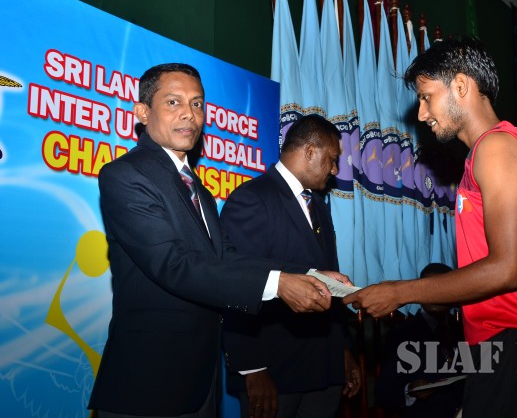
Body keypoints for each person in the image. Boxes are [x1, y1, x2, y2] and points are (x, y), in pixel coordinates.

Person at [89, 63, 349, 418]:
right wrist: (279, 284)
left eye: (197, 103)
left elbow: (227, 257)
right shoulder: (125, 175)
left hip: (200, 383)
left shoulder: (200, 191)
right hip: (147, 384)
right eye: (173, 102)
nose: (189, 114)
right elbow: (174, 265)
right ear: (142, 112)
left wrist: (309, 275)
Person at [343, 37, 517, 417]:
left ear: (461, 86)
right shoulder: (483, 154)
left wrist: (401, 292)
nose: (422, 114)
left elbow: (504, 271)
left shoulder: (497, 148)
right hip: (511, 343)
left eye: (426, 97)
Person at [220, 114, 361, 418]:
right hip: (275, 375)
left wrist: (342, 350)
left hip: (324, 372)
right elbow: (235, 282)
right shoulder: (252, 198)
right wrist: (252, 369)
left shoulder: (319, 206)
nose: (335, 170)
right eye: (332, 159)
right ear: (310, 152)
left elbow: (329, 287)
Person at [374, 263, 464, 418]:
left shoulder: (464, 330)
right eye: (428, 288)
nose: (434, 295)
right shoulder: (401, 334)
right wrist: (410, 390)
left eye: (441, 288)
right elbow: (384, 392)